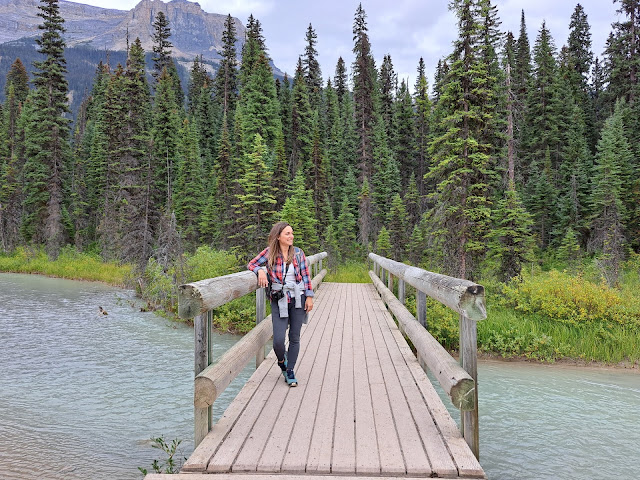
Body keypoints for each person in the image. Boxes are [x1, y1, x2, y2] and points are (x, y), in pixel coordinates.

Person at [247, 221, 314, 387]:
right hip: (279, 299)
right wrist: (260, 270)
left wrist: (310, 296)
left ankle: (290, 371)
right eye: (287, 234)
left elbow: (306, 276)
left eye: (292, 233)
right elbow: (252, 263)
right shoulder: (270, 252)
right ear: (278, 237)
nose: (291, 236)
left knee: (294, 337)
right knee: (278, 340)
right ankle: (282, 361)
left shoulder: (298, 253)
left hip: (298, 298)